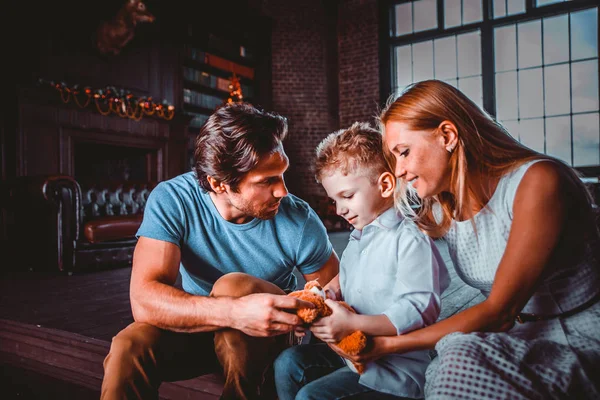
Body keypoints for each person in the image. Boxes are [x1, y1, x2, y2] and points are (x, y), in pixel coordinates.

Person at [332, 79, 600, 399]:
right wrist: (333, 287)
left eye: (404, 153)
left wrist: (387, 345)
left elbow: (499, 311)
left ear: (447, 135)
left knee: (456, 360)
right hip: (516, 333)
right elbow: (385, 233)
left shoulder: (538, 182)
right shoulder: (442, 200)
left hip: (576, 338)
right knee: (451, 357)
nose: (399, 170)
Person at [100, 103, 340, 400]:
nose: (283, 191)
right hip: (205, 325)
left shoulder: (299, 220)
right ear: (218, 183)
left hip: (270, 332)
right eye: (267, 181)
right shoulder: (174, 199)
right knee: (129, 347)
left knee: (234, 285)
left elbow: (336, 297)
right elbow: (144, 301)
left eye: (282, 174)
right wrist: (236, 313)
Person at [274, 122, 450, 400]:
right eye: (334, 200)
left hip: (395, 374)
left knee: (311, 396)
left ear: (385, 185)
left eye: (347, 196)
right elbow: (348, 277)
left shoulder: (410, 239)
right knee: (288, 363)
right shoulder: (358, 238)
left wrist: (354, 324)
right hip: (353, 358)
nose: (340, 209)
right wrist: (325, 293)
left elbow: (419, 309)